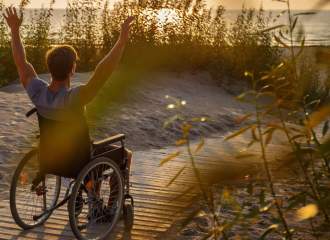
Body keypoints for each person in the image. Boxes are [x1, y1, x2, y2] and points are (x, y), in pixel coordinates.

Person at [3, 6, 134, 179]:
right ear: (72, 69)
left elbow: (21, 62)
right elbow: (102, 72)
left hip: (52, 160)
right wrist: (122, 41)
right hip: (79, 164)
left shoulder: (37, 93)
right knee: (126, 155)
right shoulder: (76, 98)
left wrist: (14, 30)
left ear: (49, 68)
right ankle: (113, 203)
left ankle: (87, 193)